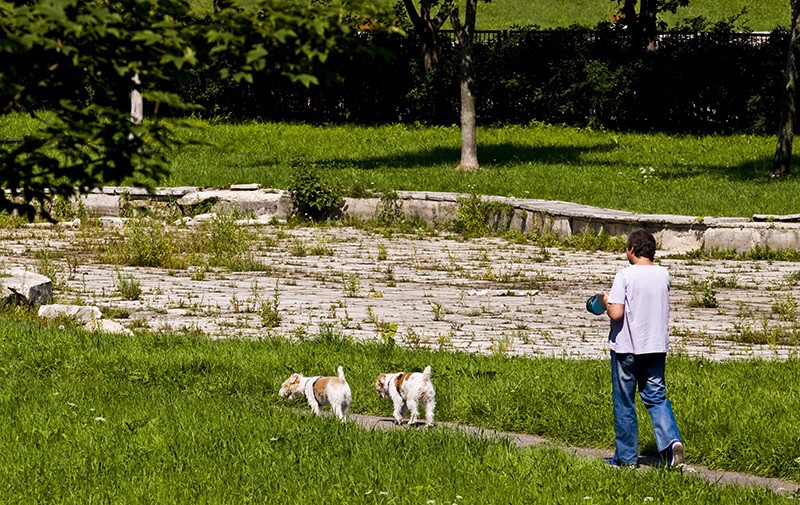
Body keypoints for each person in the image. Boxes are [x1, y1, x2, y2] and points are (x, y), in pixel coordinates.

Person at [600, 228, 684, 468]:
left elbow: (617, 313)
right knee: (657, 398)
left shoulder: (625, 275)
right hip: (656, 347)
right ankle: (671, 442)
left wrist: (606, 302)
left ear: (632, 250)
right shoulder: (663, 274)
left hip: (627, 348)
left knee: (625, 401)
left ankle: (625, 459)